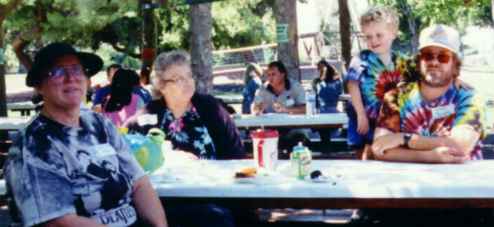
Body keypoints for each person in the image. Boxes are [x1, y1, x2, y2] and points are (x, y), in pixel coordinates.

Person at [4, 42, 167, 227]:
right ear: (39, 87)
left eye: (77, 70)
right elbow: (60, 223)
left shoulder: (99, 124)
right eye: (57, 72)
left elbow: (139, 182)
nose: (70, 78)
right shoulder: (34, 146)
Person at [127, 50, 243, 227]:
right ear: (161, 85)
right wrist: (170, 158)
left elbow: (236, 155)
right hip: (162, 200)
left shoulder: (210, 108)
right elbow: (130, 159)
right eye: (178, 78)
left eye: (189, 76)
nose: (187, 82)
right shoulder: (147, 116)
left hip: (213, 195)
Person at [371, 24, 485, 162]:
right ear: (419, 61)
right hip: (409, 182)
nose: (434, 62)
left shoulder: (469, 97)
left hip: (465, 181)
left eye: (443, 57)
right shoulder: (396, 97)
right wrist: (429, 156)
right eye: (428, 55)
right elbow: (379, 148)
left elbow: (460, 146)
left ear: (455, 63)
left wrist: (403, 139)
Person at [345, 6, 410, 157]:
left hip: (392, 122)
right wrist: (361, 114)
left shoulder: (402, 61)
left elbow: (422, 79)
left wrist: (455, 80)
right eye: (368, 37)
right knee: (364, 155)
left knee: (389, 155)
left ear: (393, 34)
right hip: (366, 119)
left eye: (379, 35)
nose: (373, 40)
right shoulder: (361, 59)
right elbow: (352, 85)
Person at [252, 61, 308, 152]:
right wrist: (258, 109)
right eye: (268, 75)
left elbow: (305, 109)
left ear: (283, 74)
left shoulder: (295, 87)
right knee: (260, 140)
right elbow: (254, 109)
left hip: (293, 128)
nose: (270, 78)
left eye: (273, 74)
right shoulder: (263, 89)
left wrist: (286, 109)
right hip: (271, 130)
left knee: (298, 137)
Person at [312, 59, 343, 147]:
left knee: (323, 122)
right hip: (322, 112)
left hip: (329, 112)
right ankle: (326, 145)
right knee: (320, 122)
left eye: (320, 69)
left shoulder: (336, 82)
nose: (319, 71)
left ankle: (326, 145)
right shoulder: (317, 82)